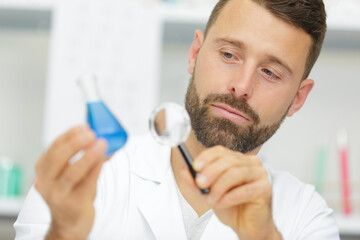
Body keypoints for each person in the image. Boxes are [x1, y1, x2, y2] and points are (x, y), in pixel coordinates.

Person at [14, 0, 340, 239]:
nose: (241, 86)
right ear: (195, 54)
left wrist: (264, 236)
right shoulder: (88, 178)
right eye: (229, 54)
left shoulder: (305, 216)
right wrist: (64, 232)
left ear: (298, 97)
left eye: (270, 72)